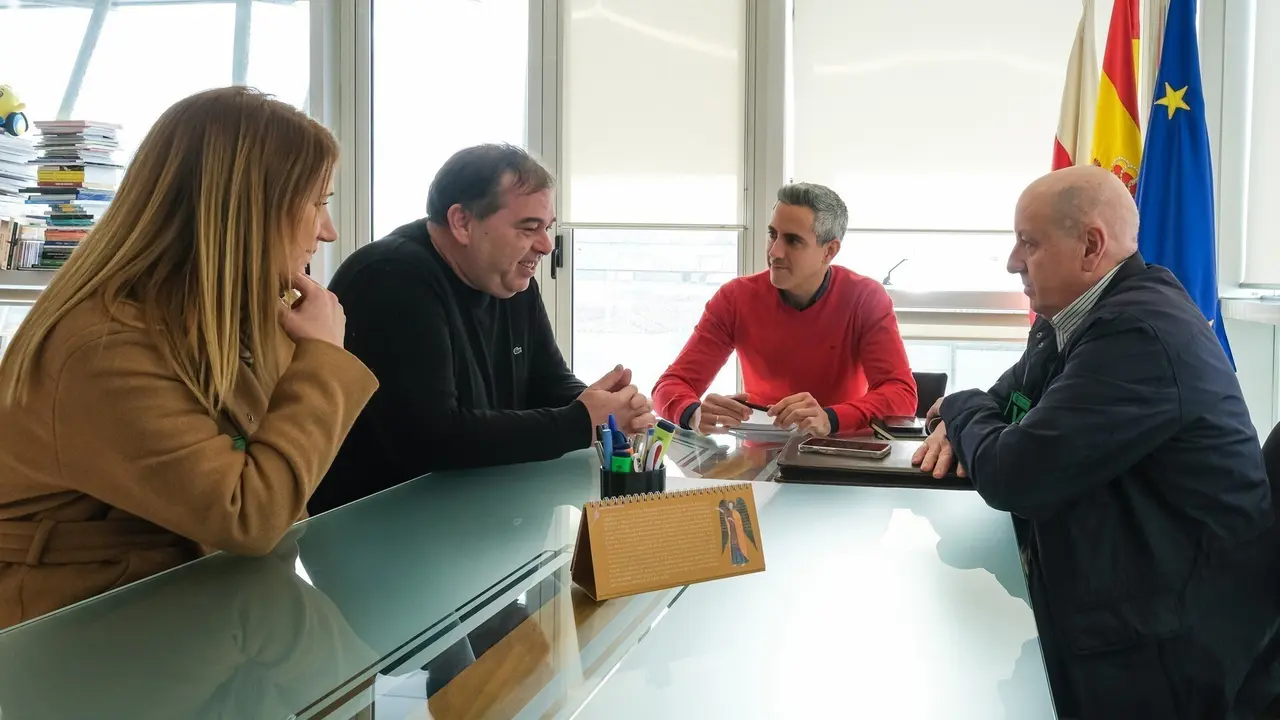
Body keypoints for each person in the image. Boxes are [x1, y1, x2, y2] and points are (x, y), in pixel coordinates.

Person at [0, 87, 378, 629]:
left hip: (185, 614)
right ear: (248, 209)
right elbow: (249, 514)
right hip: (85, 638)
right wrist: (319, 357)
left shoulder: (220, 318)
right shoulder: (102, 349)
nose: (328, 230)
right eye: (318, 203)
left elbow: (279, 491)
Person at [913, 164, 1280, 718]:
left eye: (1028, 244)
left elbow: (1015, 473)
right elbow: (1009, 406)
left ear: (1090, 246)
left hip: (1172, 644)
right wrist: (973, 417)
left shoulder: (1137, 334)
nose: (1014, 262)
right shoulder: (1072, 319)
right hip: (1127, 591)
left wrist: (959, 407)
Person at [311, 144, 654, 514]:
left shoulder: (508, 278)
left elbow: (548, 384)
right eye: (529, 228)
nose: (545, 245)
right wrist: (580, 420)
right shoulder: (391, 278)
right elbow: (432, 437)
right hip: (378, 529)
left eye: (547, 228)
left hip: (475, 514)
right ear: (461, 222)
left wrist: (609, 407)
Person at [652, 183, 916, 437]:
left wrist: (830, 418)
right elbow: (668, 386)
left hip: (841, 451)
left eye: (793, 241)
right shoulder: (734, 298)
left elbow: (902, 395)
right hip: (759, 457)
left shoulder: (865, 298)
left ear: (829, 251)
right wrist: (694, 414)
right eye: (772, 234)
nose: (774, 251)